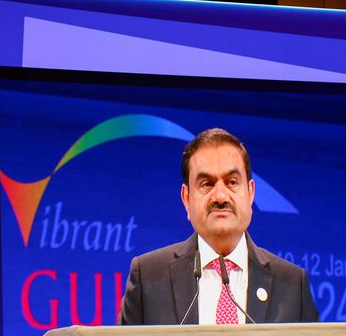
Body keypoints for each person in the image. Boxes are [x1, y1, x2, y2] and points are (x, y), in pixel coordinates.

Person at [120, 128, 319, 325]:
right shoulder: (148, 277)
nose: (221, 197)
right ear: (187, 199)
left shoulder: (292, 284)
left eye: (232, 182)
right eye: (206, 184)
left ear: (250, 193)